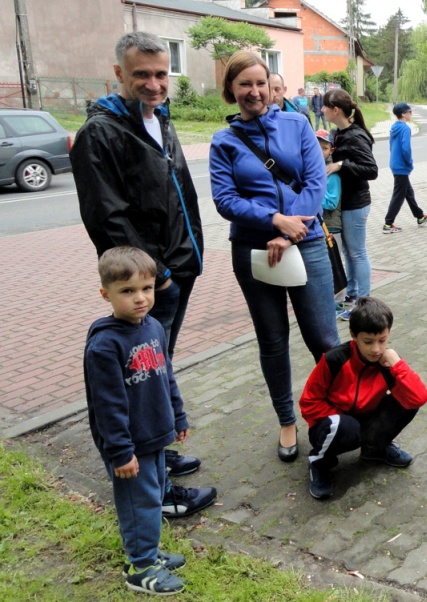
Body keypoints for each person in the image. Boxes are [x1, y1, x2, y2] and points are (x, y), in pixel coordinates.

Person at [70, 31, 205, 488]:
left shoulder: (159, 119)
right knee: (140, 377)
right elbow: (109, 220)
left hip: (178, 270)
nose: (153, 84)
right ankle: (153, 487)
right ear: (118, 75)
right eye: (141, 75)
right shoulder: (100, 133)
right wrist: (159, 277)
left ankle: (158, 454)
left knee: (157, 369)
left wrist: (184, 264)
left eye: (161, 74)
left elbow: (175, 197)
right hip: (152, 282)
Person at [209, 51, 341, 463]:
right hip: (253, 250)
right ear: (231, 90)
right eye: (244, 84)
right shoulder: (224, 142)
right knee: (272, 340)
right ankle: (287, 421)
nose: (254, 91)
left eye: (260, 83)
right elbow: (225, 200)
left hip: (307, 241)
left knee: (323, 338)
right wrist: (274, 221)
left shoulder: (297, 124)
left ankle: (336, 414)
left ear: (271, 86)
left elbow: (315, 181)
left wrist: (292, 228)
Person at [85, 247, 218, 595]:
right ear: (106, 294)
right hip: (130, 445)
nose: (140, 298)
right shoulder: (105, 345)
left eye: (146, 288)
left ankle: (149, 551)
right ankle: (140, 568)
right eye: (127, 291)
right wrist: (120, 451)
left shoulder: (154, 327)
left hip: (155, 434)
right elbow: (107, 405)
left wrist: (177, 416)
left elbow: (165, 377)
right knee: (138, 503)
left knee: (154, 496)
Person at [299, 296, 427, 500]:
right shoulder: (335, 359)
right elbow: (308, 402)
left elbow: (419, 398)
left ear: (388, 334)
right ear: (354, 335)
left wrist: (397, 365)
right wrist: (345, 423)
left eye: (382, 340)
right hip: (331, 425)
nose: (376, 349)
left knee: (408, 398)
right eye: (368, 342)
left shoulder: (386, 363)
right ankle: (319, 462)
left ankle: (375, 449)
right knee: (346, 426)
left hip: (363, 420)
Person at [322, 89, 379, 320]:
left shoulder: (355, 136)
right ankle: (353, 295)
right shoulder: (339, 133)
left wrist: (341, 165)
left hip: (356, 204)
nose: (322, 109)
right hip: (346, 204)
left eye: (325, 106)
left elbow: (371, 170)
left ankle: (363, 303)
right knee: (348, 251)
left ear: (336, 110)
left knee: (357, 253)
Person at [383, 101, 427, 234]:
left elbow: (391, 146)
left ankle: (420, 216)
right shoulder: (405, 128)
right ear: (403, 114)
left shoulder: (395, 127)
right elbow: (406, 149)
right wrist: (409, 162)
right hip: (401, 166)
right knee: (399, 195)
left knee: (408, 192)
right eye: (409, 111)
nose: (411, 113)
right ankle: (388, 224)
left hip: (395, 163)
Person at [317, 128, 347, 305]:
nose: (320, 151)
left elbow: (331, 203)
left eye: (324, 147)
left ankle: (338, 301)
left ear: (331, 150)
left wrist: (312, 194)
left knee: (333, 265)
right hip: (317, 228)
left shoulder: (332, 175)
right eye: (317, 146)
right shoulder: (311, 169)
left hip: (331, 227)